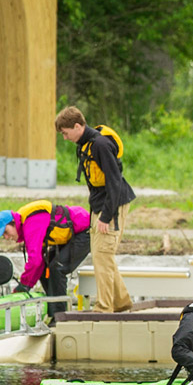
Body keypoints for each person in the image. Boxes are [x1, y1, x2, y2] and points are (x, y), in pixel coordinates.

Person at [55, 106, 137, 313]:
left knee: (102, 254)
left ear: (77, 126)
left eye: (65, 133)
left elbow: (115, 182)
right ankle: (121, 302)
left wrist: (106, 216)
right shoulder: (85, 145)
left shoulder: (100, 145)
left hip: (112, 204)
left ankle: (104, 308)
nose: (64, 138)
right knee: (102, 255)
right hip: (99, 205)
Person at [0, 200, 92, 318]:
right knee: (45, 269)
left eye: (6, 232)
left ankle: (60, 316)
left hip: (84, 231)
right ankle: (53, 312)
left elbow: (34, 260)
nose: (7, 237)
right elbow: (39, 264)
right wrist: (26, 286)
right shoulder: (26, 224)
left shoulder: (31, 223)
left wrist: (24, 285)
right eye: (4, 235)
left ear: (13, 222)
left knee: (57, 268)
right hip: (71, 235)